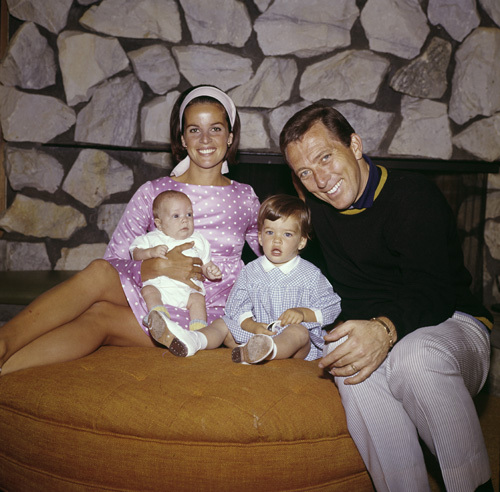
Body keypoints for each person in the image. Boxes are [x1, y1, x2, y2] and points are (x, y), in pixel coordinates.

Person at [279, 103, 494, 492]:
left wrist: (385, 329)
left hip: (452, 326)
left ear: (356, 145)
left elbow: (432, 290)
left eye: (325, 157)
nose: (320, 179)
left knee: (416, 356)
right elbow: (279, 252)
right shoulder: (321, 213)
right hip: (381, 330)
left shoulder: (412, 195)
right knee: (350, 366)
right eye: (305, 172)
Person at [0, 85, 261, 375]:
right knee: (99, 270)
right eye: (194, 130)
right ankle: (3, 346)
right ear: (183, 139)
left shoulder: (245, 198)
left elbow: (274, 256)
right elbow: (115, 261)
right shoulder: (155, 192)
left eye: (215, 128)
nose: (205, 139)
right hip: (153, 293)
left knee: (99, 317)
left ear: (230, 136)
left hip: (204, 314)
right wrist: (158, 267)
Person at [148, 194, 341, 363]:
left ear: (301, 241)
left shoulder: (310, 274)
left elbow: (332, 306)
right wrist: (253, 326)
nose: (277, 240)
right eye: (270, 232)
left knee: (298, 332)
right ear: (259, 237)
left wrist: (303, 313)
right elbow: (237, 307)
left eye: (287, 234)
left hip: (295, 346)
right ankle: (193, 340)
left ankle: (269, 350)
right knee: (223, 323)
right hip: (256, 332)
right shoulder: (251, 271)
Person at [130, 190, 222, 334]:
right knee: (148, 290)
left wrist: (210, 271)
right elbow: (135, 253)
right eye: (176, 216)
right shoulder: (151, 238)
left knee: (198, 299)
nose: (185, 219)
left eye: (189, 214)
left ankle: (199, 330)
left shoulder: (198, 240)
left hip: (188, 290)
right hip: (160, 287)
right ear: (159, 224)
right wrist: (150, 252)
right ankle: (158, 316)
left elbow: (205, 264)